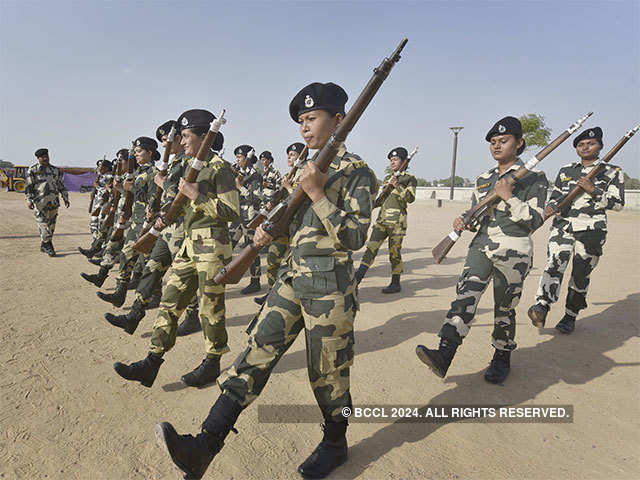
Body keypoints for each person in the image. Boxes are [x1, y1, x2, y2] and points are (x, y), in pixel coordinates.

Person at [154, 82, 378, 480]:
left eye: (312, 119)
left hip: (330, 289)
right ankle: (203, 445)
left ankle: (335, 443)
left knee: (328, 373)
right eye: (300, 122)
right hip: (291, 280)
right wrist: (267, 232)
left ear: (339, 120)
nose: (304, 128)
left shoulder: (357, 172)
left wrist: (317, 193)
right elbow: (291, 221)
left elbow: (355, 238)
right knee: (252, 357)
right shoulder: (304, 170)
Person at [415, 116, 548, 384]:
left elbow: (535, 219)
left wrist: (509, 196)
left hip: (514, 251)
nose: (497, 146)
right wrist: (465, 221)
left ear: (519, 143)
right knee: (464, 298)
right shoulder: (484, 178)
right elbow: (479, 215)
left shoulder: (534, 178)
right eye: (493, 142)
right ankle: (444, 354)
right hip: (481, 247)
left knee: (504, 308)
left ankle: (502, 356)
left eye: (504, 141)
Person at [113, 108, 239, 389]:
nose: (181, 141)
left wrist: (198, 195)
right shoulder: (186, 165)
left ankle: (212, 362)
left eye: (185, 136)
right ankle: (151, 362)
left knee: (210, 307)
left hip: (212, 246)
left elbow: (232, 211)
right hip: (189, 243)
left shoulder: (220, 167)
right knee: (170, 302)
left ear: (204, 136)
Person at [528, 127, 624, 334]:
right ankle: (542, 305)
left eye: (591, 143)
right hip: (563, 227)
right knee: (554, 264)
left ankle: (570, 315)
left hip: (591, 231)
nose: (585, 147)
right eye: (580, 144)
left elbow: (617, 204)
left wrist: (593, 190)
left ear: (600, 146)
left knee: (581, 274)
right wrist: (552, 205)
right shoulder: (566, 170)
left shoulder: (612, 171)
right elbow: (555, 194)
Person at [96, 137, 158, 306]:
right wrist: (121, 188)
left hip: (144, 223)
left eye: (139, 152)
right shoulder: (139, 172)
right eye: (135, 152)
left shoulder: (153, 173)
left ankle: (153, 295)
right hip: (135, 221)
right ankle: (120, 293)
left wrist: (132, 188)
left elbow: (153, 201)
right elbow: (132, 195)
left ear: (150, 153)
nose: (136, 155)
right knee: (127, 256)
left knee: (148, 261)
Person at [355, 147, 417, 293]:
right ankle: (357, 280)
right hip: (382, 221)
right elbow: (382, 200)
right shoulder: (388, 178)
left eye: (395, 160)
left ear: (403, 161)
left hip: (397, 223)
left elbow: (410, 198)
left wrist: (397, 186)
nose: (392, 163)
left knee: (394, 253)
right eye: (391, 160)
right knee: (370, 249)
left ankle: (396, 283)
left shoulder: (409, 179)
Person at [254, 142, 305, 305]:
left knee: (293, 266)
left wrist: (288, 188)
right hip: (284, 227)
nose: (289, 158)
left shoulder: (306, 172)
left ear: (301, 156)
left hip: (299, 228)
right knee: (272, 260)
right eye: (288, 155)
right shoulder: (291, 174)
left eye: (293, 155)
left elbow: (303, 199)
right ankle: (271, 294)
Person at [231, 144, 264, 294]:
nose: (237, 160)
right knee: (227, 244)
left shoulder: (256, 175)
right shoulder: (238, 173)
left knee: (251, 250)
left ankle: (255, 281)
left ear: (248, 159)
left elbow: (256, 197)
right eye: (237, 158)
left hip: (250, 216)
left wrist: (240, 187)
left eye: (240, 157)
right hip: (237, 216)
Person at [25, 148, 69, 256]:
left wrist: (66, 198)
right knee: (43, 224)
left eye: (47, 156)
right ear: (38, 158)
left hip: (53, 202)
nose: (45, 158)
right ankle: (49, 246)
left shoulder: (55, 170)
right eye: (43, 157)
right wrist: (29, 200)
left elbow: (61, 185)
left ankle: (44, 244)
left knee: (51, 226)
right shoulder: (33, 170)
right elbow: (29, 186)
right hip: (40, 202)